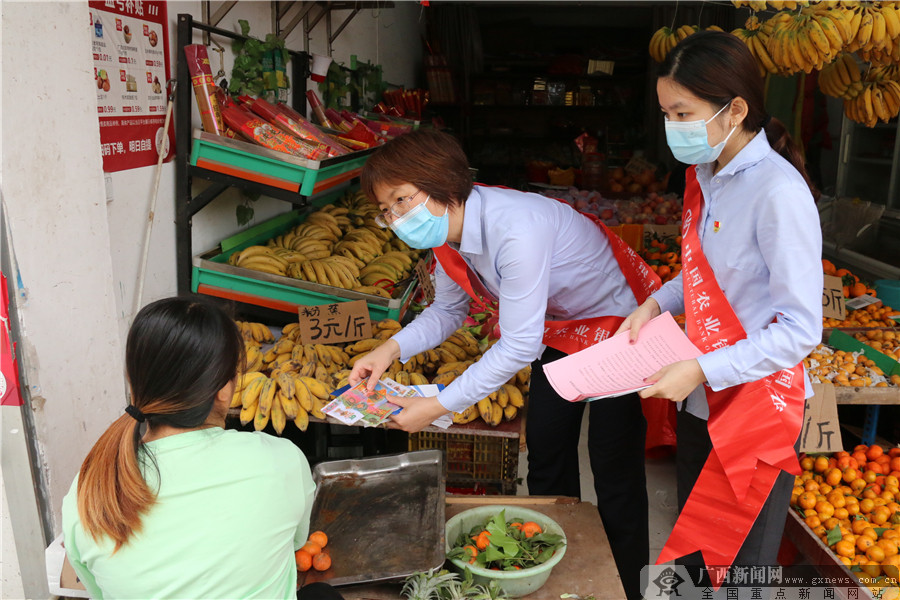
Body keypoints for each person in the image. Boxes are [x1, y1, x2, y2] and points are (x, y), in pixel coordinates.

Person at [348, 129, 658, 599]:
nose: (395, 218)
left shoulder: (516, 228)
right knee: (549, 454)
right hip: (561, 329)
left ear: (441, 183)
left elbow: (517, 347)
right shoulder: (447, 234)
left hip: (618, 329)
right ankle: (555, 566)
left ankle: (630, 586)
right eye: (386, 209)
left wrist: (438, 405)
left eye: (401, 200)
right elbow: (449, 311)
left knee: (613, 467)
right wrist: (389, 350)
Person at [618, 30, 822, 585]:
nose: (672, 127)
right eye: (665, 113)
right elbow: (707, 273)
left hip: (756, 407)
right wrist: (655, 304)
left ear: (734, 109)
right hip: (703, 402)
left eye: (682, 113)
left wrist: (701, 369)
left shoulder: (778, 192)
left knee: (738, 571)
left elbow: (801, 329)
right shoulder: (706, 176)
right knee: (694, 556)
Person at [61, 296, 339, 599]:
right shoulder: (280, 460)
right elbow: (296, 544)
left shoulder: (88, 490)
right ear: (223, 389)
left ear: (133, 382)